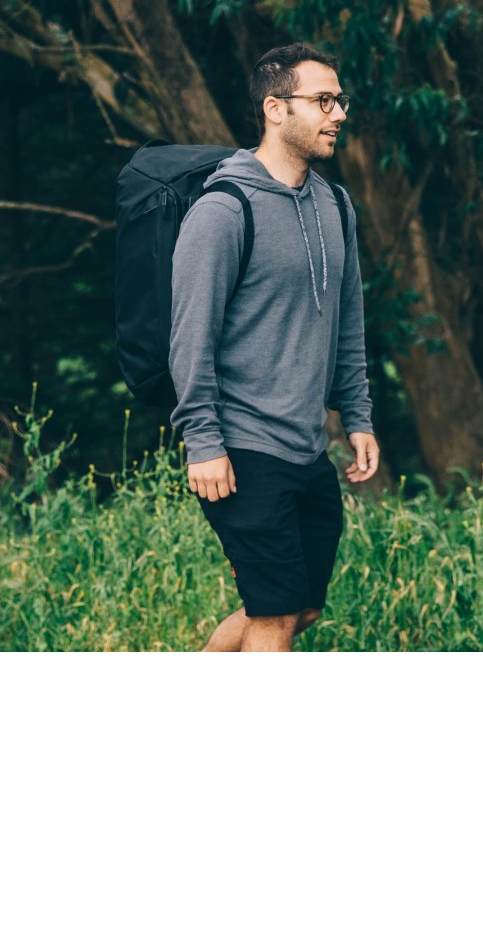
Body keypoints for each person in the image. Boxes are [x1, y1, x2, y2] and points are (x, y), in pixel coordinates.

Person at [169, 43, 380, 651]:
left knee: (301, 606)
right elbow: (190, 337)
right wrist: (203, 442)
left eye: (340, 100)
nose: (339, 113)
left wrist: (357, 416)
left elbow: (347, 323)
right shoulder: (223, 210)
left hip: (307, 447)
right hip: (242, 448)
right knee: (276, 614)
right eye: (323, 101)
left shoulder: (335, 205)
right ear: (275, 109)